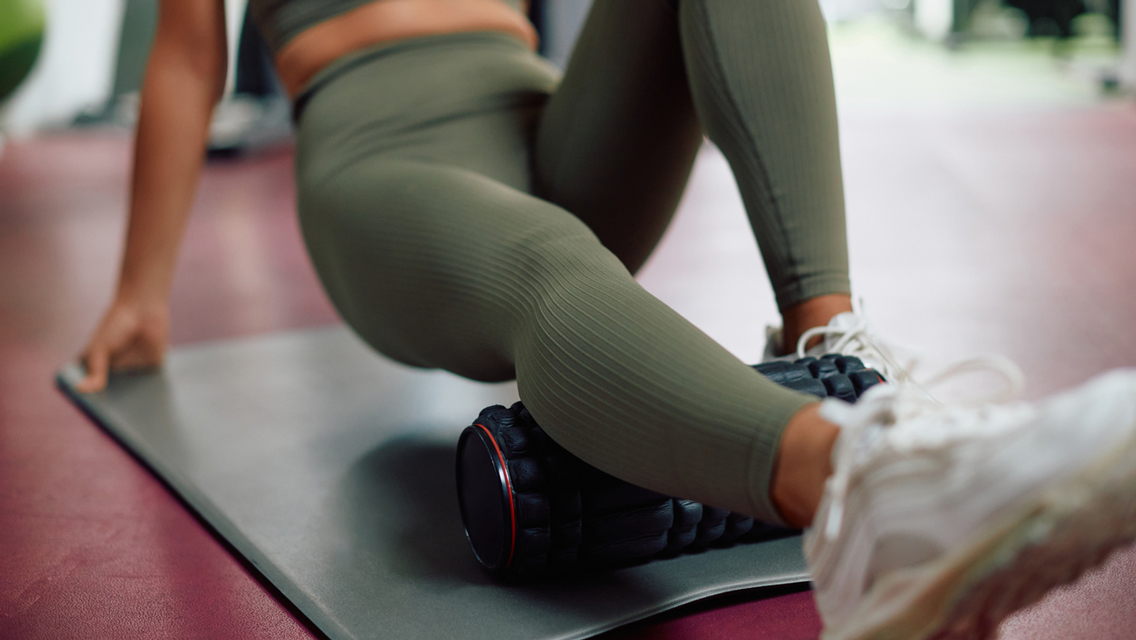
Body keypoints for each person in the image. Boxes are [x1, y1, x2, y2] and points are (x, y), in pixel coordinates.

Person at [75, 0, 1136, 638]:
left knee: (557, 235)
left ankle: (829, 351)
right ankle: (866, 491)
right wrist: (139, 292)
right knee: (550, 261)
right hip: (381, 162)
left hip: (544, 126)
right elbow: (184, 58)